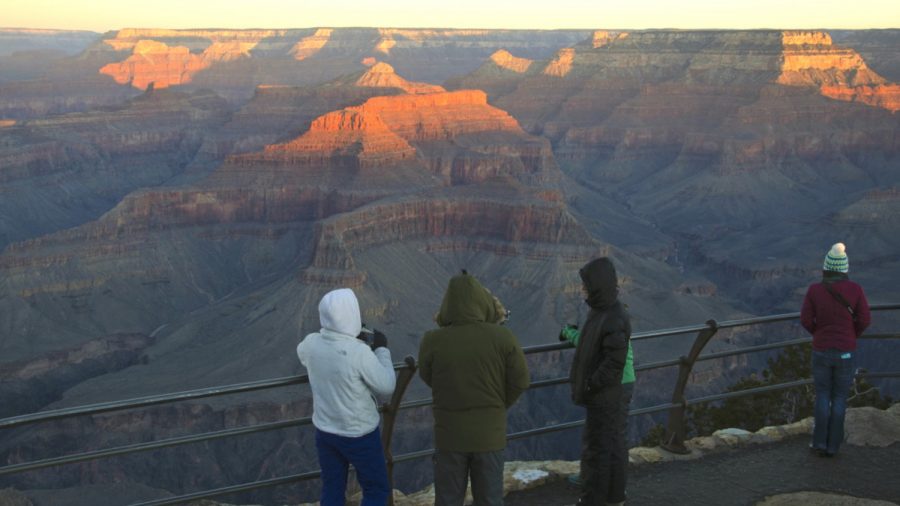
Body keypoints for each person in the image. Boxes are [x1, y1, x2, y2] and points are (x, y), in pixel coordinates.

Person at [418, 271, 530, 506]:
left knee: (448, 499)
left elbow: (428, 376)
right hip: (489, 436)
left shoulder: (432, 339)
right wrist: (498, 404)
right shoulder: (503, 337)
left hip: (449, 436)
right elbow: (520, 380)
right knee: (489, 499)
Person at [297, 288, 396, 506]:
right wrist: (381, 350)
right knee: (376, 488)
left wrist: (337, 333)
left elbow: (304, 352)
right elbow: (386, 385)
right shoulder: (358, 352)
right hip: (359, 434)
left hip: (326, 433)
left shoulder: (312, 343)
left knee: (332, 488)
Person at [567, 257, 631, 506]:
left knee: (597, 453)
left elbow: (614, 363)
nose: (582, 289)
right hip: (603, 396)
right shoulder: (603, 311)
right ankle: (614, 498)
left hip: (603, 397)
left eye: (586, 285)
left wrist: (591, 384)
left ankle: (593, 501)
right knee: (610, 449)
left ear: (597, 286)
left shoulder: (613, 317)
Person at [801, 242, 871, 457]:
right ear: (844, 268)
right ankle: (833, 446)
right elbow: (865, 320)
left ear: (826, 267)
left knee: (823, 395)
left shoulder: (815, 290)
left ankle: (819, 443)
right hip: (846, 351)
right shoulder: (856, 289)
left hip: (821, 349)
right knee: (840, 397)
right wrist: (851, 335)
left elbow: (805, 320)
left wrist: (819, 334)